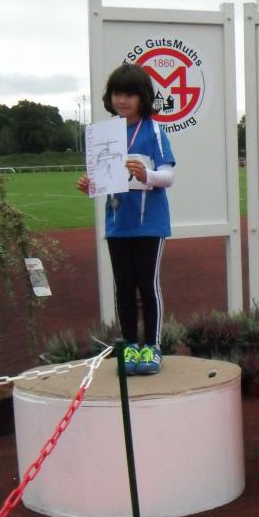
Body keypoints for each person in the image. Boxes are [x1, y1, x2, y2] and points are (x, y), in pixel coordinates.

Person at [77, 64, 175, 375]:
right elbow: (104, 179)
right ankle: (130, 345)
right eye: (117, 93)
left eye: (130, 94)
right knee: (123, 287)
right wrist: (90, 186)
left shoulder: (153, 130)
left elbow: (168, 176)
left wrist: (147, 175)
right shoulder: (104, 133)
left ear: (143, 97)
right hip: (118, 224)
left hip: (150, 224)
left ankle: (153, 346)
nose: (122, 100)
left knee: (147, 285)